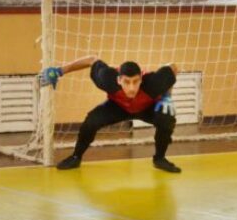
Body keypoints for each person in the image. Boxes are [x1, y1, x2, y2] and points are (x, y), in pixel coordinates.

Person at [39, 55, 182, 173]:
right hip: (117, 107)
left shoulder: (153, 83)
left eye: (136, 82)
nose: (131, 88)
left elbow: (173, 67)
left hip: (147, 108)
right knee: (91, 121)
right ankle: (76, 157)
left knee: (167, 118)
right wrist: (59, 71)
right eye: (127, 82)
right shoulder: (106, 78)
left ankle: (159, 159)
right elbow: (92, 60)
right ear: (119, 80)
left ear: (141, 79)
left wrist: (167, 97)